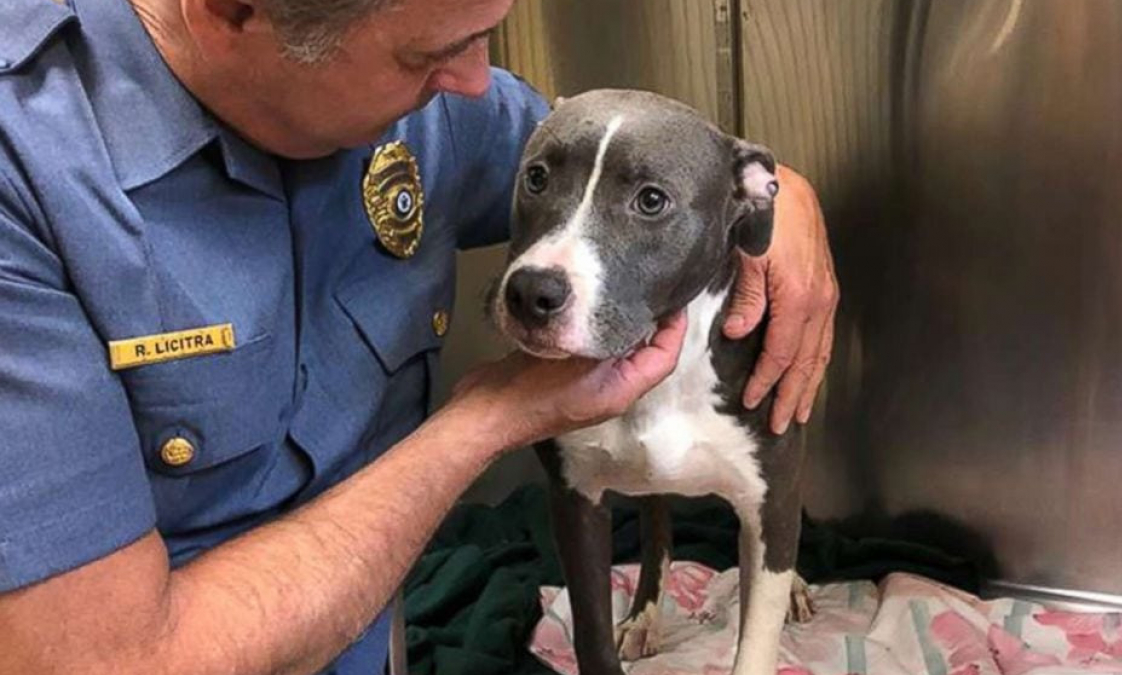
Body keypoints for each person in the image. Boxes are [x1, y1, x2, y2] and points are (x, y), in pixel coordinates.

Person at [0, 0, 839, 672]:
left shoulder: (437, 103)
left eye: (484, 37)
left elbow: (637, 167)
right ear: (232, 11)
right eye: (427, 53)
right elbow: (100, 659)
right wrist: (484, 421)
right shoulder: (26, 171)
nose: (478, 83)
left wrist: (787, 202)